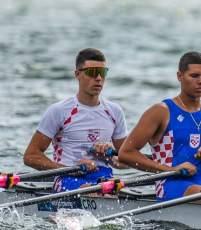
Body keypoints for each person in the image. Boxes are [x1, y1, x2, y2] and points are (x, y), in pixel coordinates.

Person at [119, 51, 201, 200]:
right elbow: (126, 153)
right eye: (194, 76)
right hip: (170, 184)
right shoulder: (161, 111)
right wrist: (171, 169)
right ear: (180, 77)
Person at [23, 48, 128, 199]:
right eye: (92, 72)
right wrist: (69, 169)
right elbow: (30, 156)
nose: (98, 78)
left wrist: (111, 157)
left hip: (105, 179)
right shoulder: (59, 111)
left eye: (103, 73)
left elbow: (126, 162)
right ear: (78, 74)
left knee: (113, 193)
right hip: (67, 178)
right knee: (98, 193)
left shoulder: (114, 111)